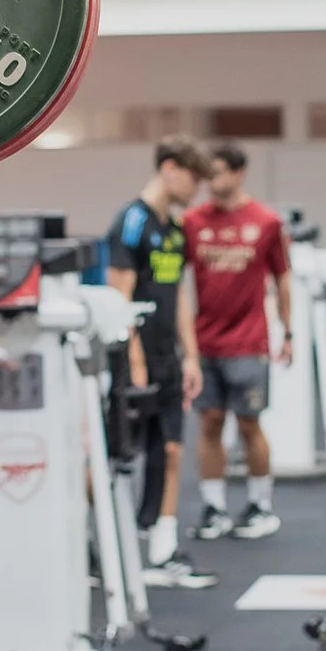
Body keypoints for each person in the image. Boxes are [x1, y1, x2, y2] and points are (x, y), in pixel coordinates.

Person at [105, 137, 213, 588]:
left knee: (170, 448)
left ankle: (164, 548)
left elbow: (180, 295)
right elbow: (118, 298)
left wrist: (191, 356)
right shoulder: (131, 222)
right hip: (136, 360)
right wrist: (134, 362)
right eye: (193, 179)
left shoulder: (176, 229)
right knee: (121, 457)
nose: (196, 190)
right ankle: (105, 544)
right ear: (170, 168)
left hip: (169, 357)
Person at [180, 141, 292, 541]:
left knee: (249, 424)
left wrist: (288, 331)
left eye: (221, 172)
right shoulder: (192, 222)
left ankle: (260, 505)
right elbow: (178, 282)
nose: (213, 181)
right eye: (209, 174)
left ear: (239, 173)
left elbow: (282, 278)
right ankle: (214, 507)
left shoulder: (266, 222)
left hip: (249, 342)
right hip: (206, 342)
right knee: (209, 423)